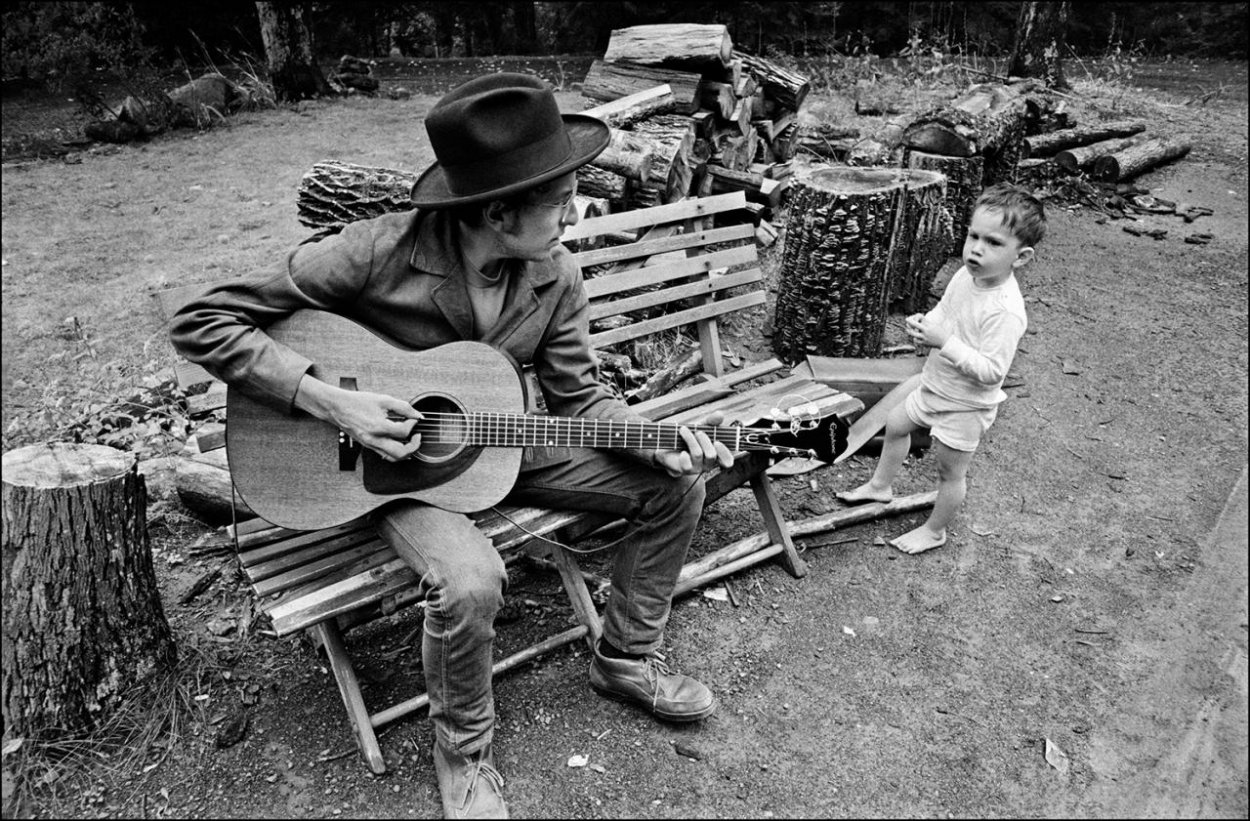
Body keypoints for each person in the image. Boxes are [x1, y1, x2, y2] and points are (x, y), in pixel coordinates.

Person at [170, 73, 734, 819]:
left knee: (675, 485)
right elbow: (200, 319)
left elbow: (579, 398)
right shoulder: (374, 252)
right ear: (497, 209)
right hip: (380, 471)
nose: (577, 209)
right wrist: (333, 399)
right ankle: (463, 753)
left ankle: (625, 655)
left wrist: (650, 438)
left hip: (502, 444)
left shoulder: (556, 275)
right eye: (561, 199)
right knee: (471, 580)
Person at [835, 183, 1046, 555]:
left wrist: (944, 341)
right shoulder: (966, 276)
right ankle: (880, 487)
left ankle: (935, 530)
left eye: (994, 243)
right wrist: (925, 325)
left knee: (950, 472)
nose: (977, 248)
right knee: (897, 425)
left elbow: (992, 372)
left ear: (1022, 257)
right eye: (973, 236)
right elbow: (945, 313)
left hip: (966, 404)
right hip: (935, 385)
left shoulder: (1005, 310)